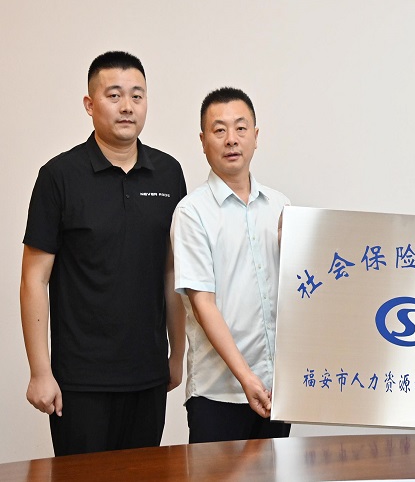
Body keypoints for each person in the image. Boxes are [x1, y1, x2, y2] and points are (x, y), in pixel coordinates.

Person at [20, 51, 187, 456]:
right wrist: (40, 372)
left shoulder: (168, 174)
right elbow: (34, 279)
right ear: (90, 104)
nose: (127, 106)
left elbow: (172, 272)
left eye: (137, 95)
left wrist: (177, 355)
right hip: (80, 381)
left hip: (148, 374)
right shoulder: (59, 176)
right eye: (114, 95)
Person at [171, 87, 292, 443]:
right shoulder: (192, 212)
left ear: (256, 136)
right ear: (203, 141)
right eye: (219, 130)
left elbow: (299, 293)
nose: (231, 140)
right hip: (219, 393)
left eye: (240, 128)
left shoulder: (281, 206)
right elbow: (202, 304)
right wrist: (247, 377)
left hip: (277, 389)